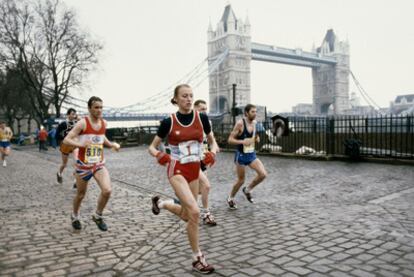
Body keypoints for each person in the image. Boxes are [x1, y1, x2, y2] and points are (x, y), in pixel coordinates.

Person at [148, 84, 218, 274]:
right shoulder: (168, 122)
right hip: (176, 169)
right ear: (176, 99)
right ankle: (197, 258)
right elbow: (152, 147)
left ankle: (162, 204)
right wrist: (159, 155)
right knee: (195, 212)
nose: (188, 99)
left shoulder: (202, 118)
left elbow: (213, 142)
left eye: (191, 96)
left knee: (188, 215)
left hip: (194, 170)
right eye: (184, 96)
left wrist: (212, 153)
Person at [63, 97, 120, 231]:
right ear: (89, 108)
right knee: (81, 194)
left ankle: (98, 215)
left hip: (98, 164)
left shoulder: (104, 123)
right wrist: (80, 144)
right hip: (83, 165)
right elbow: (66, 140)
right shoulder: (82, 123)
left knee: (107, 190)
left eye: (101, 107)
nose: (99, 110)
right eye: (96, 107)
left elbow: (101, 137)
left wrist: (111, 144)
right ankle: (75, 215)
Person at [227, 104, 267, 209]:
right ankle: (230, 198)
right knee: (241, 180)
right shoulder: (240, 124)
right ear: (246, 113)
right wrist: (242, 141)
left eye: (255, 111)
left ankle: (247, 190)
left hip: (251, 154)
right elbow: (230, 140)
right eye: (252, 112)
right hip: (241, 155)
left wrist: (257, 138)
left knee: (263, 174)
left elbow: (254, 136)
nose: (255, 114)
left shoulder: (255, 123)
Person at [194, 99, 218, 226]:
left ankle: (169, 203)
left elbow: (211, 138)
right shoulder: (190, 121)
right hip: (190, 160)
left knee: (200, 190)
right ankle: (206, 214)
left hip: (203, 157)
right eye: (201, 109)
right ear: (194, 109)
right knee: (206, 186)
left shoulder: (207, 121)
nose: (204, 111)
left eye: (205, 109)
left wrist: (212, 152)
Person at [56, 108, 79, 185]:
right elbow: (57, 135)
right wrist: (61, 142)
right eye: (72, 114)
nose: (74, 115)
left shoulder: (77, 123)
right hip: (65, 145)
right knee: (64, 164)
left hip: (75, 144)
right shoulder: (63, 124)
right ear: (68, 114)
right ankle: (59, 173)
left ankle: (76, 180)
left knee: (76, 162)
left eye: (74, 114)